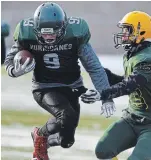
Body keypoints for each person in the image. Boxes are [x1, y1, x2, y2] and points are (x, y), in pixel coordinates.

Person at [4, 2, 115, 160]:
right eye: (44, 33)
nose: (48, 37)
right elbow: (8, 62)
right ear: (36, 29)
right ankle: (40, 135)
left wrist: (106, 96)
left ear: (63, 27)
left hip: (72, 86)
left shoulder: (75, 35)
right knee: (66, 115)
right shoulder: (26, 33)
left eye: (53, 33)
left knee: (66, 141)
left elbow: (94, 67)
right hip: (44, 87)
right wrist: (16, 71)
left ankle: (42, 142)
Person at [81, 11, 151, 160]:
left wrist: (103, 94)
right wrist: (101, 72)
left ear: (141, 31)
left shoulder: (147, 58)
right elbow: (126, 81)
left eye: (127, 30)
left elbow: (130, 85)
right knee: (103, 150)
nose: (123, 34)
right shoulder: (134, 53)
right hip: (132, 119)